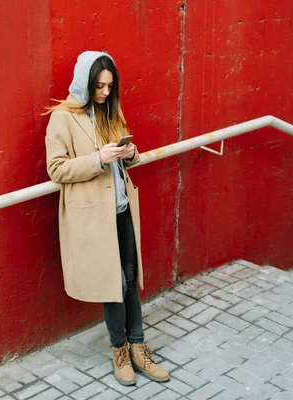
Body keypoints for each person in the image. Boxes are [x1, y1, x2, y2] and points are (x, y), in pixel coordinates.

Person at [44, 51, 170, 386]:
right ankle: (120, 352)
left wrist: (130, 153)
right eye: (99, 86)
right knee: (111, 285)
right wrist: (97, 158)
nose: (104, 92)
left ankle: (139, 347)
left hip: (121, 207)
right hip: (92, 217)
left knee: (129, 280)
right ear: (85, 82)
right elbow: (56, 169)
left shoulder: (110, 110)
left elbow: (129, 156)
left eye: (109, 86)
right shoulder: (62, 117)